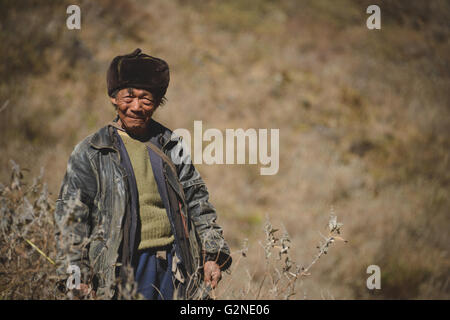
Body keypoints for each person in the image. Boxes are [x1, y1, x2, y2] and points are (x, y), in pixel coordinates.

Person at [54, 48, 232, 300]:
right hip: (122, 267)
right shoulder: (92, 151)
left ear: (158, 103)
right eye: (128, 97)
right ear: (113, 98)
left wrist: (212, 256)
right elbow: (71, 218)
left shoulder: (171, 144)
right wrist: (76, 276)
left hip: (174, 264)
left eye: (146, 99)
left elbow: (197, 200)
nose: (136, 107)